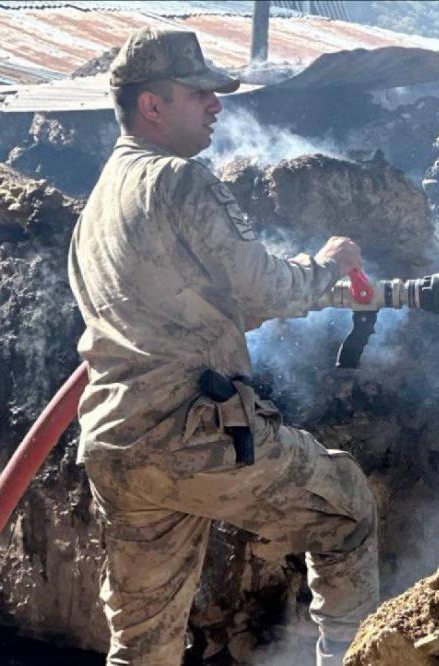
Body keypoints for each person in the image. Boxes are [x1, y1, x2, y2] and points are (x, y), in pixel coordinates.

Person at [67, 27, 378, 665]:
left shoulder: (100, 201)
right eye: (199, 92)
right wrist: (326, 266)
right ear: (151, 106)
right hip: (195, 436)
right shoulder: (178, 181)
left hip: (118, 445)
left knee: (141, 644)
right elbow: (260, 289)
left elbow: (183, 313)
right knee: (347, 509)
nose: (216, 104)